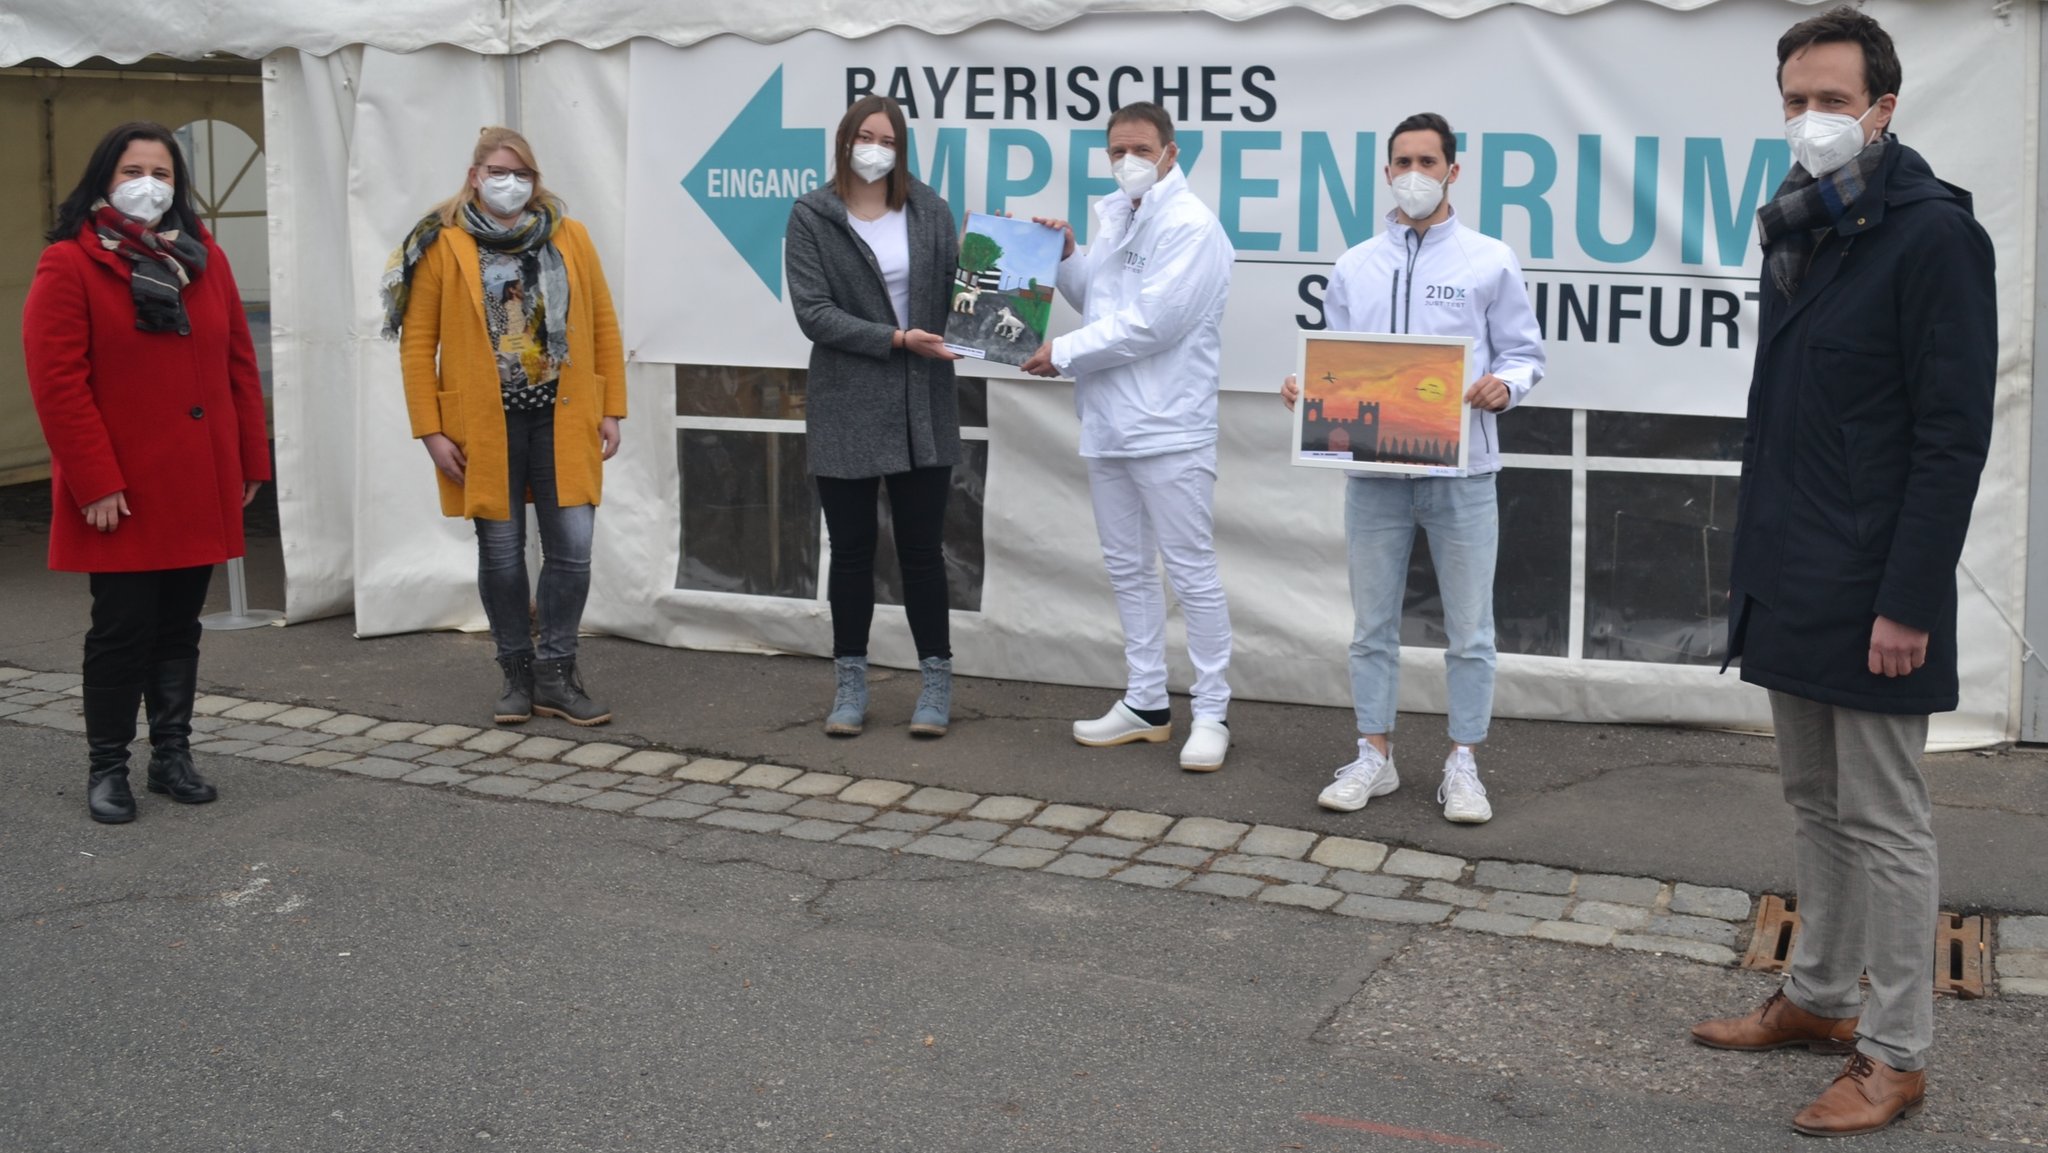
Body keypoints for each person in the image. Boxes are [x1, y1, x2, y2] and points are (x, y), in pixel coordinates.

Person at [1688, 8, 1995, 1138]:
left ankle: (1897, 1051)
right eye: (1793, 101)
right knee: (1811, 802)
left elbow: (1950, 434)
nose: (1808, 120)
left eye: (1829, 98)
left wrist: (1907, 597)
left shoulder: (1930, 236)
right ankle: (1817, 1001)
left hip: (1873, 586)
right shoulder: (1798, 225)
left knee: (1883, 819)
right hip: (1788, 567)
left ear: (1881, 106)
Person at [1280, 113, 1545, 824]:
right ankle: (1375, 753)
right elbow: (1336, 358)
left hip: (1464, 473)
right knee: (1371, 624)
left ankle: (1464, 760)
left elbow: (1525, 354)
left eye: (1429, 161)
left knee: (1471, 628)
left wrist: (1506, 386)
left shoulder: (1490, 259)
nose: (1415, 173)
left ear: (1454, 171)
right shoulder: (1353, 264)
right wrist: (1309, 389)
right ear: (1387, 171)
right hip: (1372, 476)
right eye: (1403, 161)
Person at [23, 121, 271, 823]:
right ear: (105, 178)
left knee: (178, 627)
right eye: (134, 169)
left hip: (197, 478)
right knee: (121, 630)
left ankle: (172, 755)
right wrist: (94, 478)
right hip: (121, 490)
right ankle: (108, 766)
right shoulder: (69, 264)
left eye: (161, 172)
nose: (148, 184)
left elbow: (237, 367)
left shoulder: (205, 259)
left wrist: (250, 456)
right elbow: (58, 382)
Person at [382, 127, 627, 727]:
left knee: (572, 548)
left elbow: (602, 326)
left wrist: (612, 407)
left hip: (562, 415)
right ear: (474, 175)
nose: (509, 183)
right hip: (483, 426)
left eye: (520, 173)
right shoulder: (442, 244)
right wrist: (431, 431)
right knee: (501, 552)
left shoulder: (572, 237)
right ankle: (516, 673)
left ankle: (557, 672)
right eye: (497, 171)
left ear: (535, 179)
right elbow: (418, 346)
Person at [1022, 101, 1236, 772]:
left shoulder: (1192, 225)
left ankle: (1211, 711)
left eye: (1141, 148)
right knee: (1127, 566)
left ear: (1172, 152)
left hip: (1170, 425)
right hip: (1111, 419)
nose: (1127, 161)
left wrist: (1059, 352)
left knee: (1191, 568)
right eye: (1116, 150)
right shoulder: (1118, 212)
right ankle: (1146, 699)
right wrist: (1065, 258)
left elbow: (1152, 324)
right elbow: (1106, 300)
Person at [784, 95, 963, 738]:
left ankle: (935, 683)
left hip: (924, 405)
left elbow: (960, 290)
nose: (875, 147)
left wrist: (1027, 251)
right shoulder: (812, 214)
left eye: (887, 138)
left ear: (902, 148)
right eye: (865, 135)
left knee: (922, 552)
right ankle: (851, 683)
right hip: (846, 401)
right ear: (844, 140)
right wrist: (893, 340)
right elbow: (813, 312)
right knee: (852, 552)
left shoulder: (931, 210)